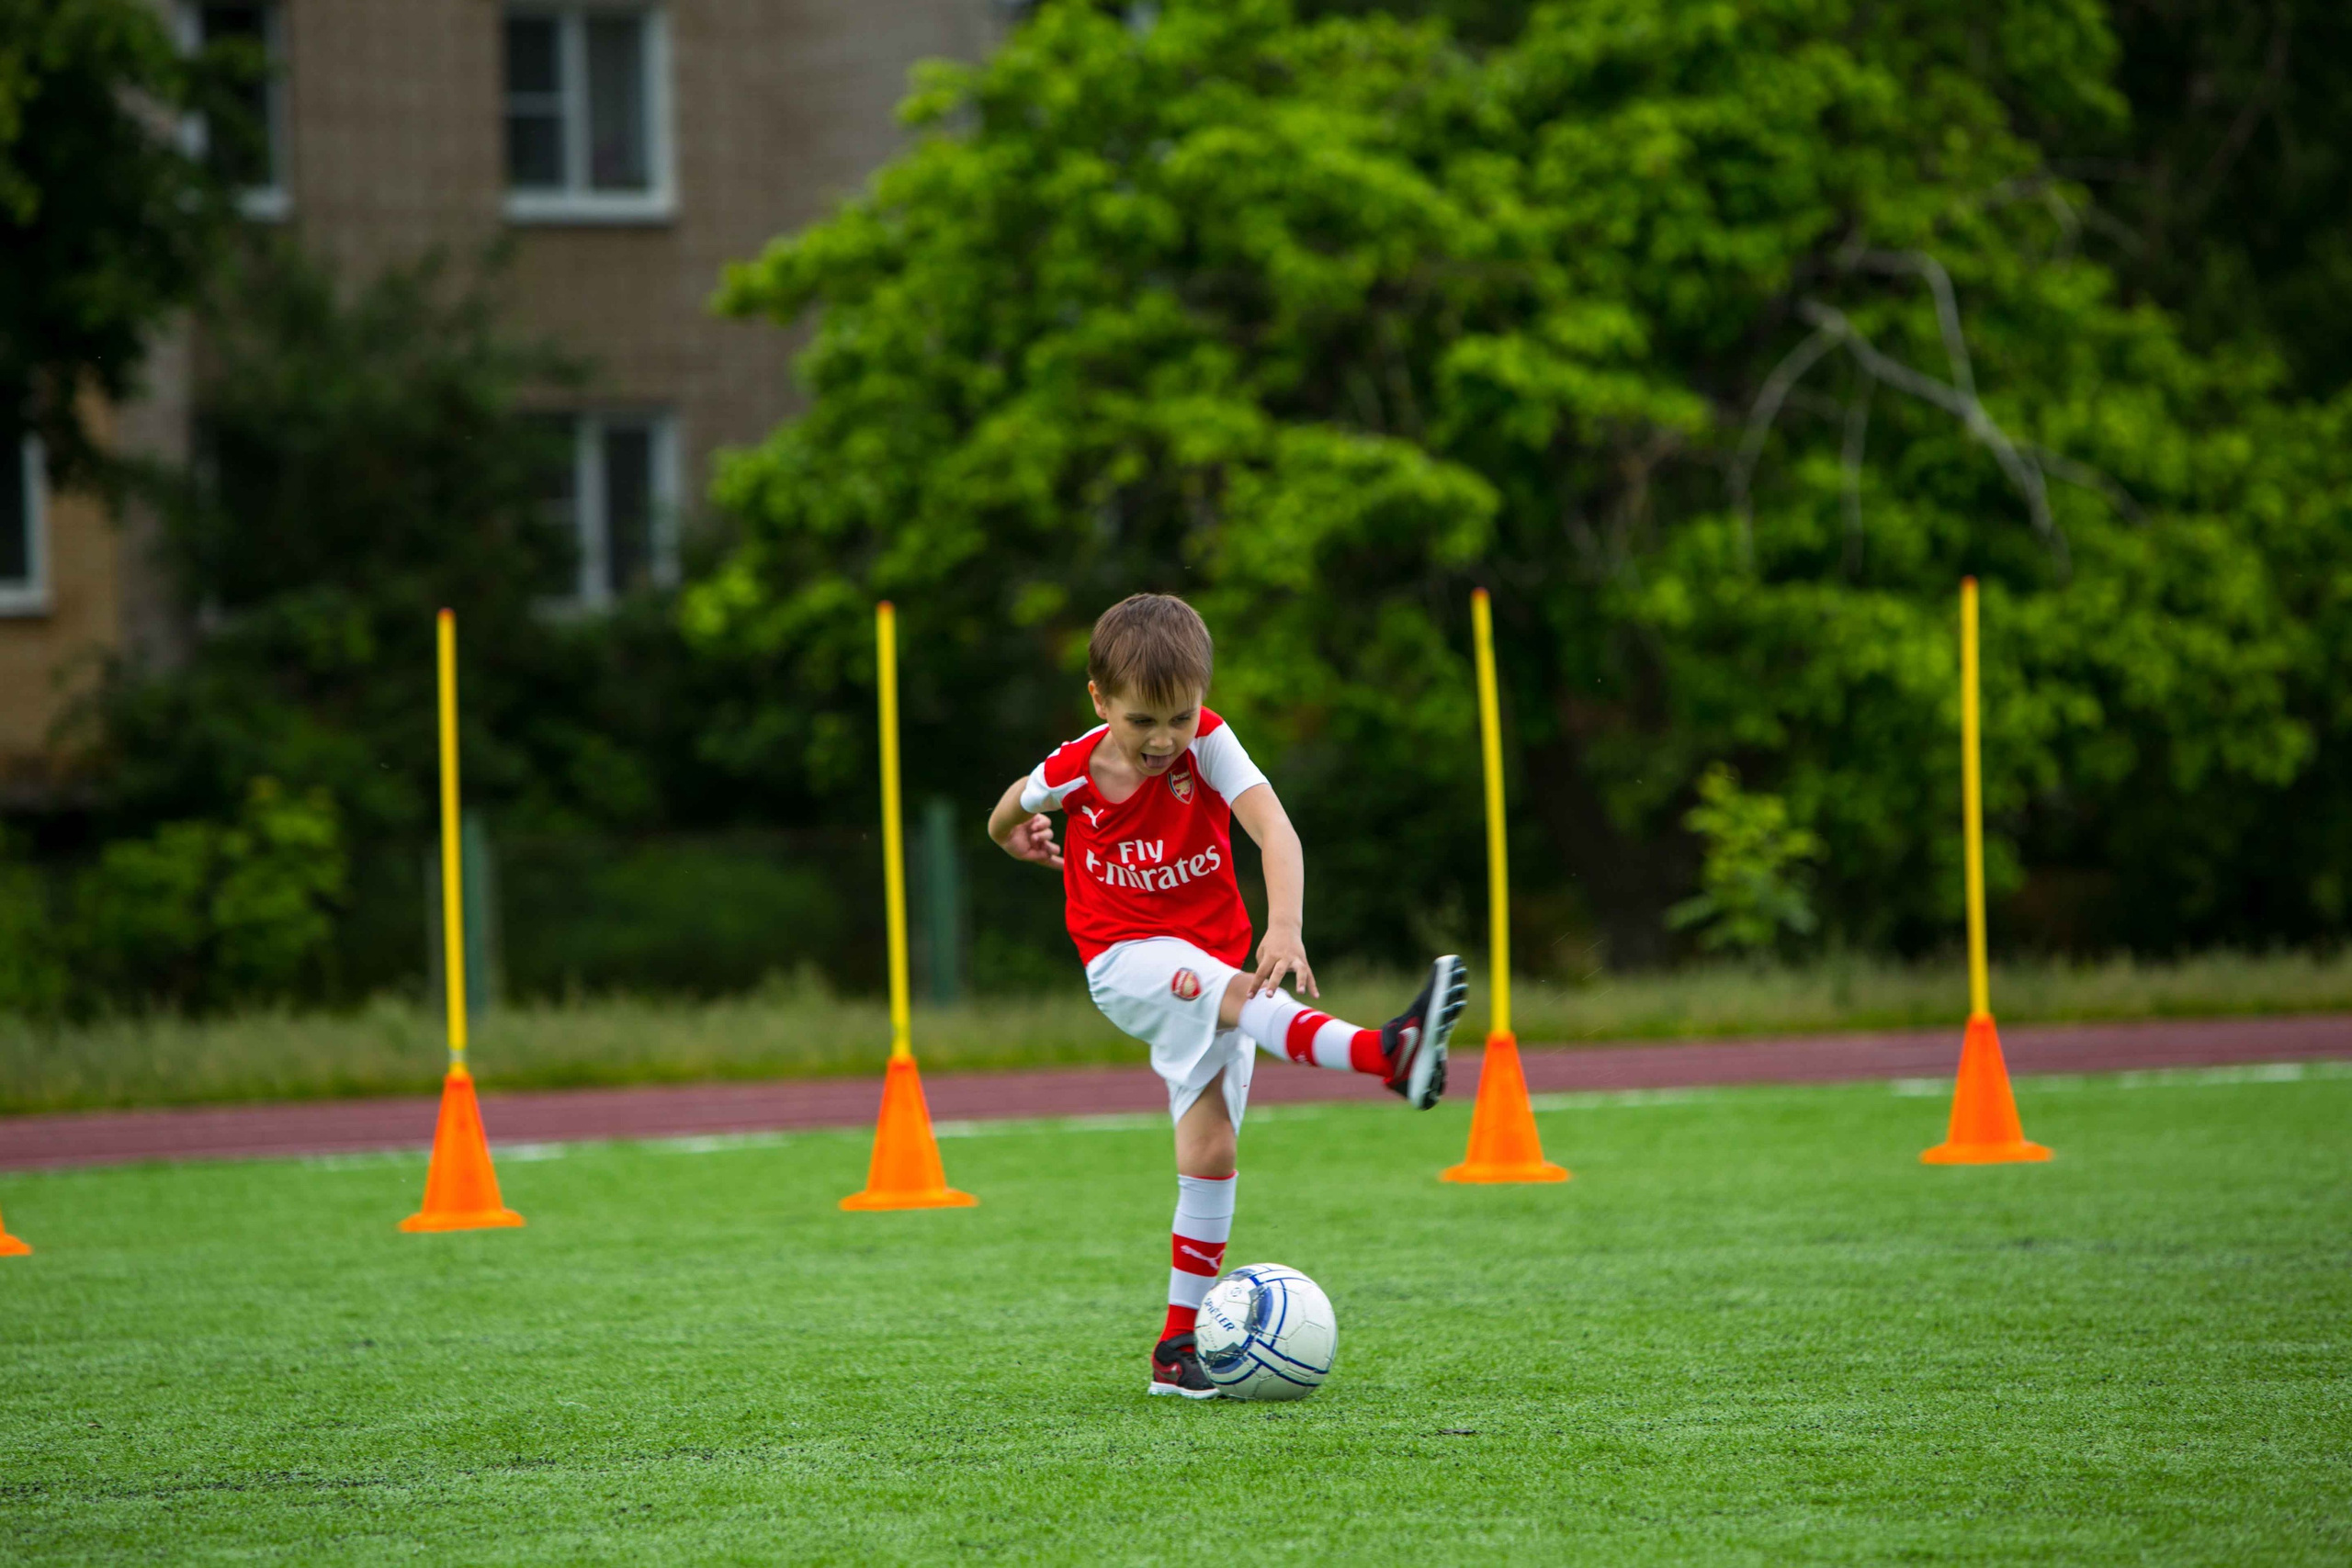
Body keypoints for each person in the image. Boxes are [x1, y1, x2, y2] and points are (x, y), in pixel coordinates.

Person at [986, 592, 1468, 1399]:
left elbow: (1275, 828)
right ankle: (1387, 1054)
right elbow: (1012, 803)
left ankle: (1176, 1352)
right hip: (1123, 961)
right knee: (1238, 992)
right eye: (1143, 721)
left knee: (1211, 1149)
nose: (1164, 738)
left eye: (1180, 715)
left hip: (1210, 963)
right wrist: (1011, 836)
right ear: (1100, 702)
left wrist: (1285, 927)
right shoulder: (1074, 768)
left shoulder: (1207, 743)